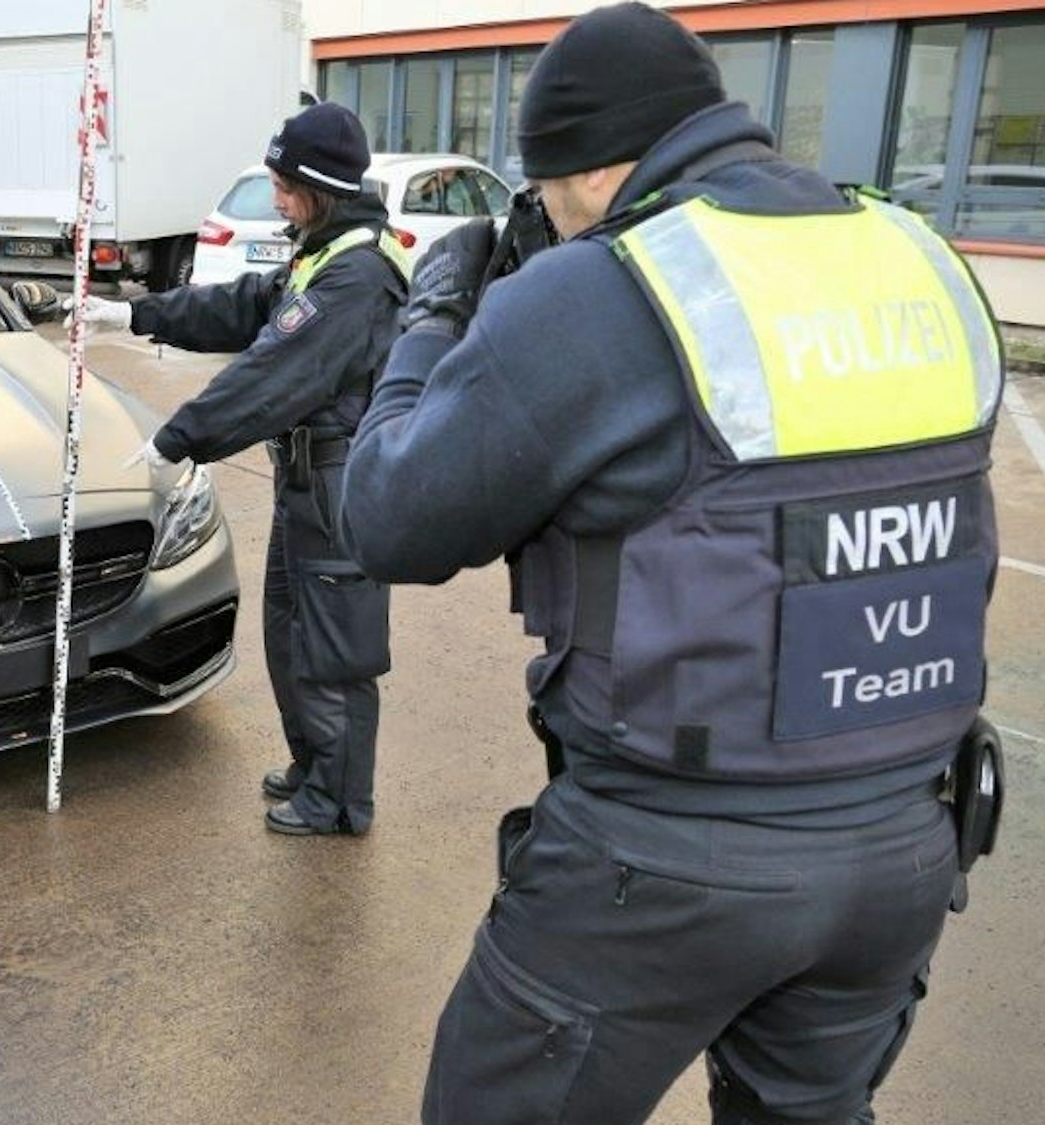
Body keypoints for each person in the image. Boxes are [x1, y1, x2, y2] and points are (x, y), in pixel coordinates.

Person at [339, 4, 1004, 1121]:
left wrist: (435, 317)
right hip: (903, 845)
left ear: (592, 173)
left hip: (666, 865)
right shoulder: (917, 256)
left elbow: (390, 519)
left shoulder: (601, 288)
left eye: (544, 196)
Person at [69, 101, 409, 836]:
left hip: (340, 490)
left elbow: (272, 373)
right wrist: (135, 315)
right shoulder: (320, 250)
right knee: (289, 635)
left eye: (286, 186)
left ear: (321, 186)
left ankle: (342, 799)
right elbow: (247, 306)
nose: (278, 199)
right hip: (305, 484)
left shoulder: (359, 277)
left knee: (334, 649)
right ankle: (315, 764)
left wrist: (179, 438)